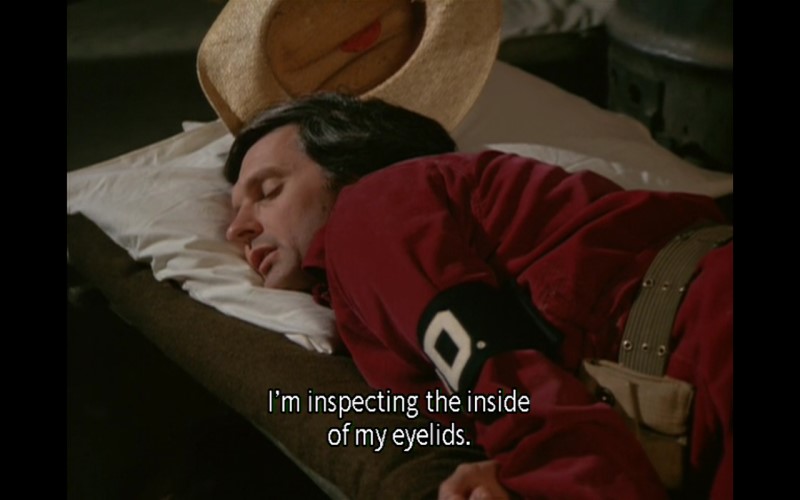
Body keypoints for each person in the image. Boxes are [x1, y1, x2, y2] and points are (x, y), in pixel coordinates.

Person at [225, 92, 733, 499]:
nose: (238, 229)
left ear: (351, 167)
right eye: (234, 212)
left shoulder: (367, 212)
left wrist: (541, 474)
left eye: (268, 192)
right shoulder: (361, 299)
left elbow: (498, 368)